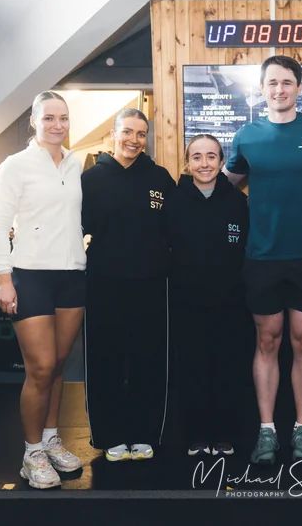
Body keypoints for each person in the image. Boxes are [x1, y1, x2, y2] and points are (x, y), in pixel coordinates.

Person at [223, 55, 302, 465]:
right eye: (272, 82)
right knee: (266, 341)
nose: (279, 89)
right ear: (262, 87)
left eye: (287, 82)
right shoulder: (246, 136)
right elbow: (226, 186)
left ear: (299, 87)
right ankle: (266, 431)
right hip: (262, 258)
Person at [0, 91, 86, 489]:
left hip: (72, 275)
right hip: (30, 275)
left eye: (63, 118)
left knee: (59, 365)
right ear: (34, 120)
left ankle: (50, 440)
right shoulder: (15, 165)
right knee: (41, 368)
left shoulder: (77, 162)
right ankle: (31, 454)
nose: (57, 125)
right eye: (49, 118)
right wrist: (3, 278)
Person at [81, 108, 176, 462]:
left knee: (147, 362)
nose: (134, 140)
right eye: (127, 132)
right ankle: (109, 435)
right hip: (103, 284)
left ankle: (144, 432)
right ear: (113, 134)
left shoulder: (160, 178)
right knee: (105, 361)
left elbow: (173, 231)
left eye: (141, 133)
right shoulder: (89, 180)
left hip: (151, 285)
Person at [163, 134, 251, 457]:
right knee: (193, 371)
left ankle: (225, 435)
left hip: (230, 304)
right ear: (187, 163)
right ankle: (196, 436)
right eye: (197, 157)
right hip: (187, 305)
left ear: (221, 161)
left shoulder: (237, 201)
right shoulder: (174, 201)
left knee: (227, 370)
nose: (204, 164)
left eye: (211, 157)